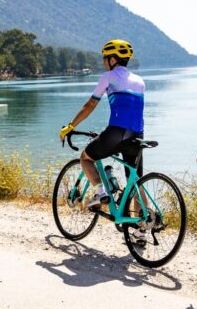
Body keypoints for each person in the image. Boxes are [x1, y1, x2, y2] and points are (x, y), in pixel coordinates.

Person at [58, 39, 147, 245]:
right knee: (135, 180)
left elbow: (90, 104)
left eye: (105, 58)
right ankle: (141, 230)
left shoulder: (108, 77)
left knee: (86, 158)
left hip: (116, 132)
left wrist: (71, 125)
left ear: (113, 59)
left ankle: (101, 191)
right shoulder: (140, 81)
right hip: (137, 135)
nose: (103, 62)